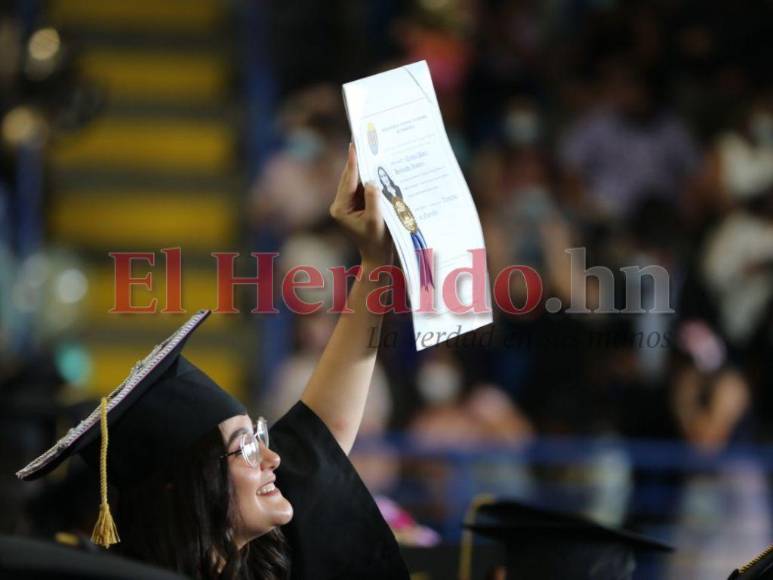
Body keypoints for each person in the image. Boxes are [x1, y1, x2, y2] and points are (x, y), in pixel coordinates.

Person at [16, 144, 410, 580]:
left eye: (255, 435)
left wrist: (376, 263)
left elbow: (327, 430)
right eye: (244, 446)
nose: (271, 457)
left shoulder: (262, 560)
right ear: (182, 487)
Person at [377, 166, 434, 290]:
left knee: (422, 246)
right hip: (400, 219)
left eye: (385, 176)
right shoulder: (384, 192)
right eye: (381, 177)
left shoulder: (397, 188)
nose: (384, 178)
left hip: (408, 216)